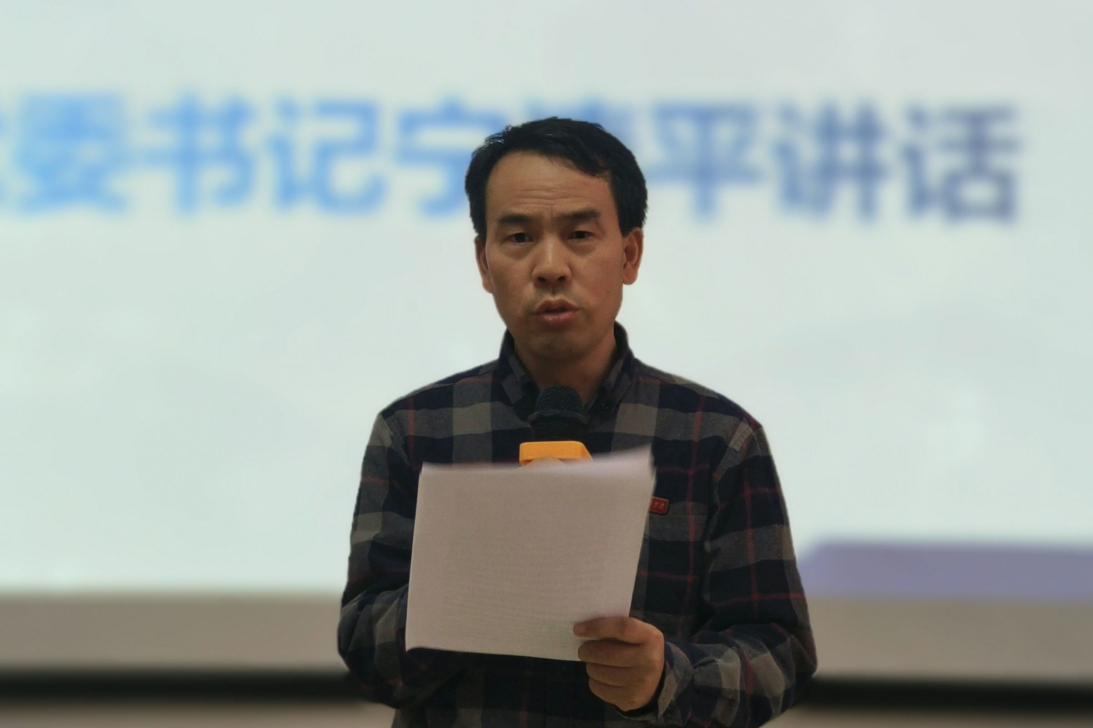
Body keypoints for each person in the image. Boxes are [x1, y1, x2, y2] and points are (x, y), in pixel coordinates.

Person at [337, 117, 817, 727]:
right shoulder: (415, 431)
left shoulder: (716, 439)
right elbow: (365, 654)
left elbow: (779, 652)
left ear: (630, 254)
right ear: (484, 262)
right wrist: (467, 587)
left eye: (580, 235)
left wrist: (666, 678)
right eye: (518, 237)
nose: (551, 267)